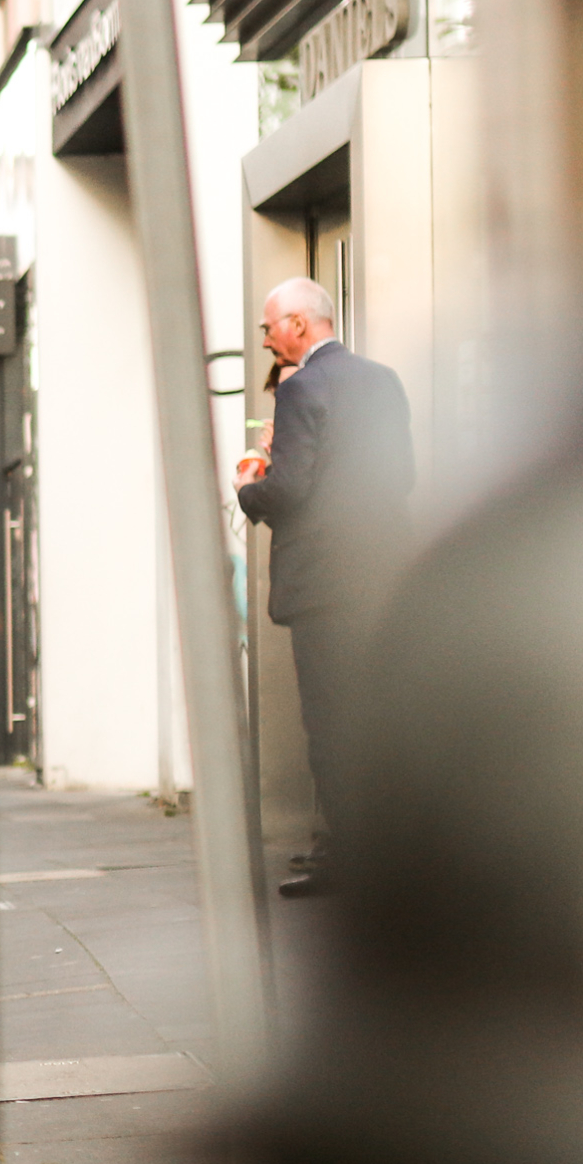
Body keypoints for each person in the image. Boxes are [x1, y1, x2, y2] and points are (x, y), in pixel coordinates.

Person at [234, 277, 414, 898]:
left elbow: (290, 492)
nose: (267, 339)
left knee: (331, 725)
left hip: (325, 589)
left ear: (299, 325)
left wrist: (250, 486)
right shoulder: (384, 380)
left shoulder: (303, 386)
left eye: (269, 327)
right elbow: (402, 475)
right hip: (384, 581)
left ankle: (349, 860)